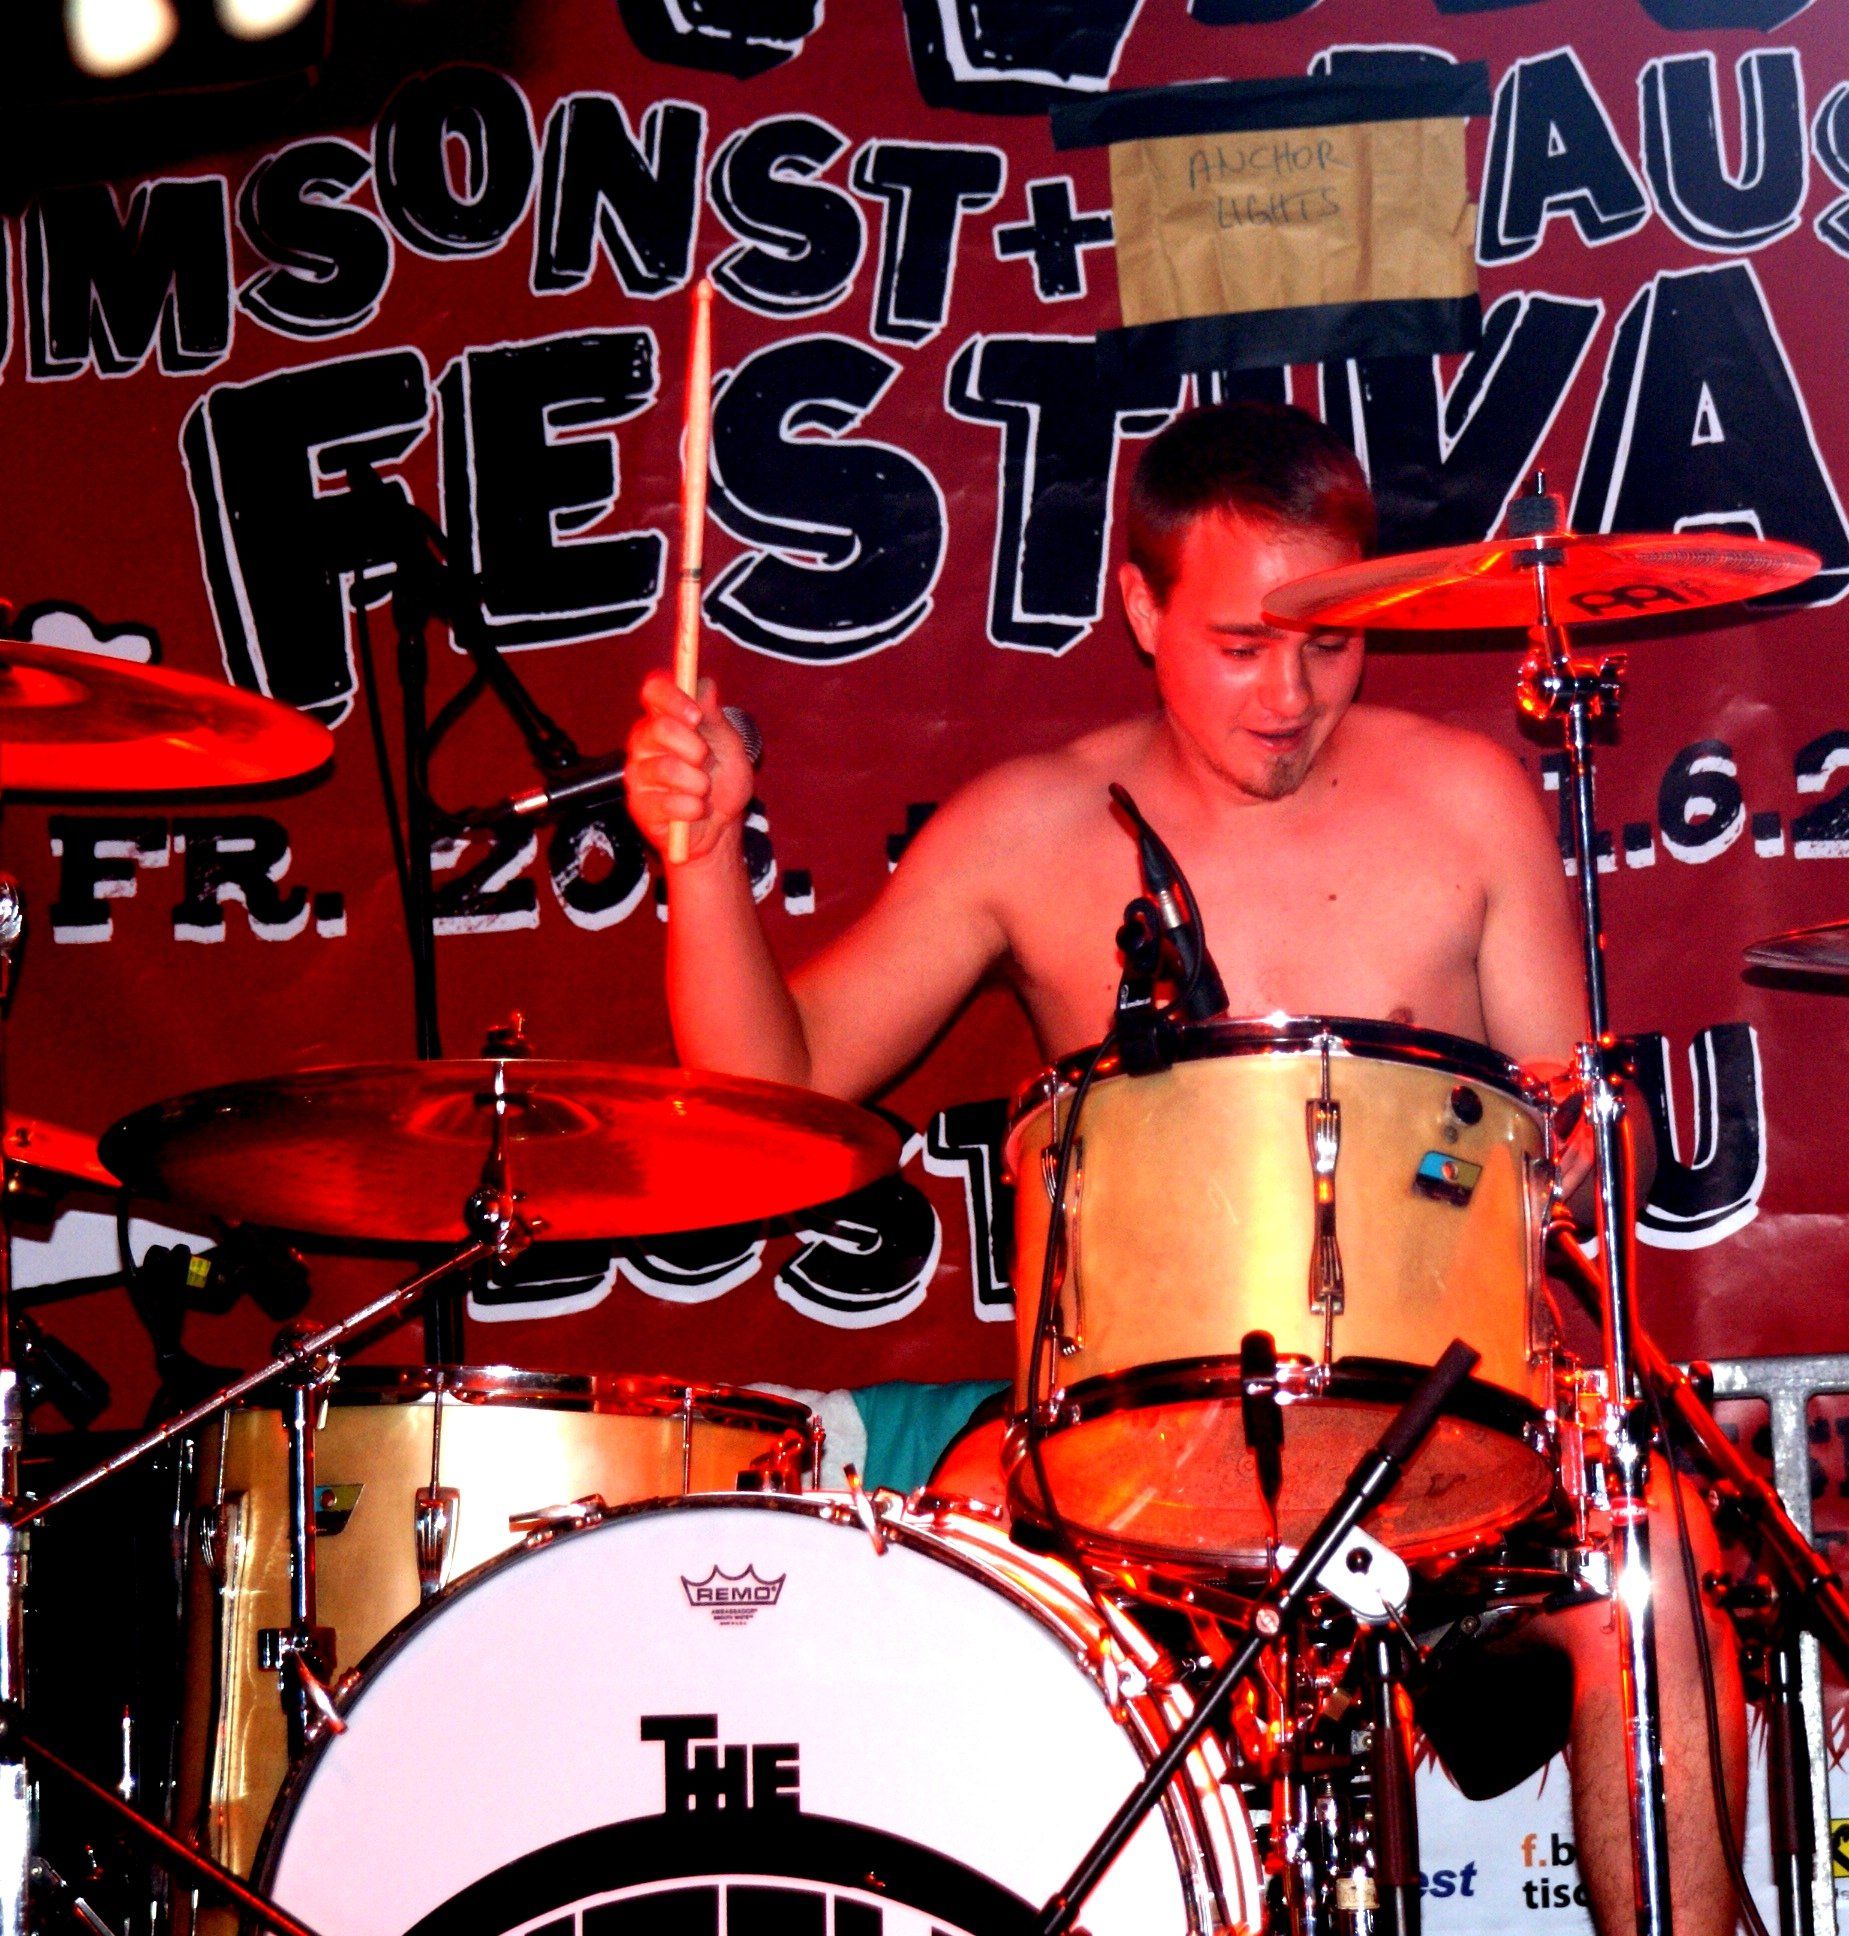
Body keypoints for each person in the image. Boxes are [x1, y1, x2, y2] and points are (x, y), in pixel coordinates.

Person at [623, 400, 1746, 1936]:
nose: (1289, 695)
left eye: (1331, 643)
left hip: (1452, 1434)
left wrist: (1557, 1178)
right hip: (1131, 1452)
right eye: (1240, 646)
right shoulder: (1030, 827)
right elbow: (779, 1084)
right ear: (1141, 609)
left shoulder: (1468, 799)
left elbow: (1572, 1141)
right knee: (960, 1537)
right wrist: (699, 862)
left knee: (1655, 1561)